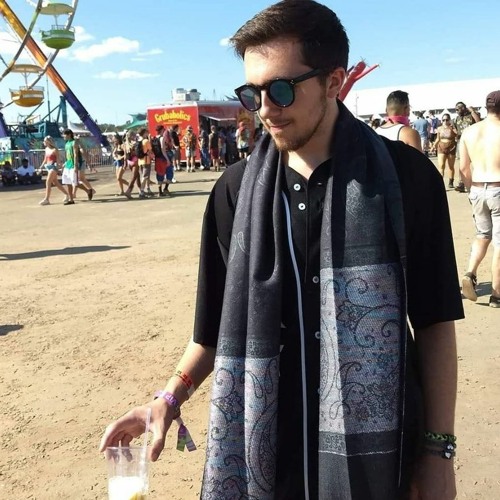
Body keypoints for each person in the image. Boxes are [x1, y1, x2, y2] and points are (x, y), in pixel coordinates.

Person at [100, 2, 462, 499]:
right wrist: (168, 397)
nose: (265, 109)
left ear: (333, 82)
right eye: (252, 93)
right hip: (268, 447)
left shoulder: (407, 179)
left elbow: (436, 322)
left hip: (381, 454)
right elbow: (212, 330)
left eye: (282, 90)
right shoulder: (234, 191)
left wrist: (438, 452)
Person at [459, 90, 500, 308]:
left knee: (482, 235)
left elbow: (464, 167)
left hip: (477, 188)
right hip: (498, 188)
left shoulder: (469, 131)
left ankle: (470, 272)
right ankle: (496, 294)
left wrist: (470, 190)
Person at [454, 101, 481, 193]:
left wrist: (472, 111)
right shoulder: (456, 119)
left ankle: (478, 181)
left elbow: (479, 123)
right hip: (462, 142)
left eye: (458, 108)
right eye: (456, 109)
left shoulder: (472, 115)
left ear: (464, 108)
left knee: (475, 162)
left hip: (473, 141)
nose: (457, 111)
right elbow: (456, 129)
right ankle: (461, 183)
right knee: (463, 163)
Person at [39, 136, 68, 205]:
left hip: (53, 167)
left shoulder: (55, 150)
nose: (44, 142)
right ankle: (67, 194)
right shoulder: (46, 149)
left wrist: (60, 167)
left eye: (45, 141)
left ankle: (46, 199)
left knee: (48, 181)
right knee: (55, 182)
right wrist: (41, 167)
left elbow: (58, 160)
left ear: (48, 142)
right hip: (48, 167)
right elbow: (45, 159)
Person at [432, 114, 458, 188]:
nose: (445, 121)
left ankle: (451, 181)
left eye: (447, 120)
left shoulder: (452, 128)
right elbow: (438, 138)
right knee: (441, 166)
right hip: (441, 147)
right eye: (443, 120)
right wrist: (433, 146)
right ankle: (441, 183)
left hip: (451, 147)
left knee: (451, 166)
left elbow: (457, 135)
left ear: (449, 120)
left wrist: (453, 129)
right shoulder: (439, 128)